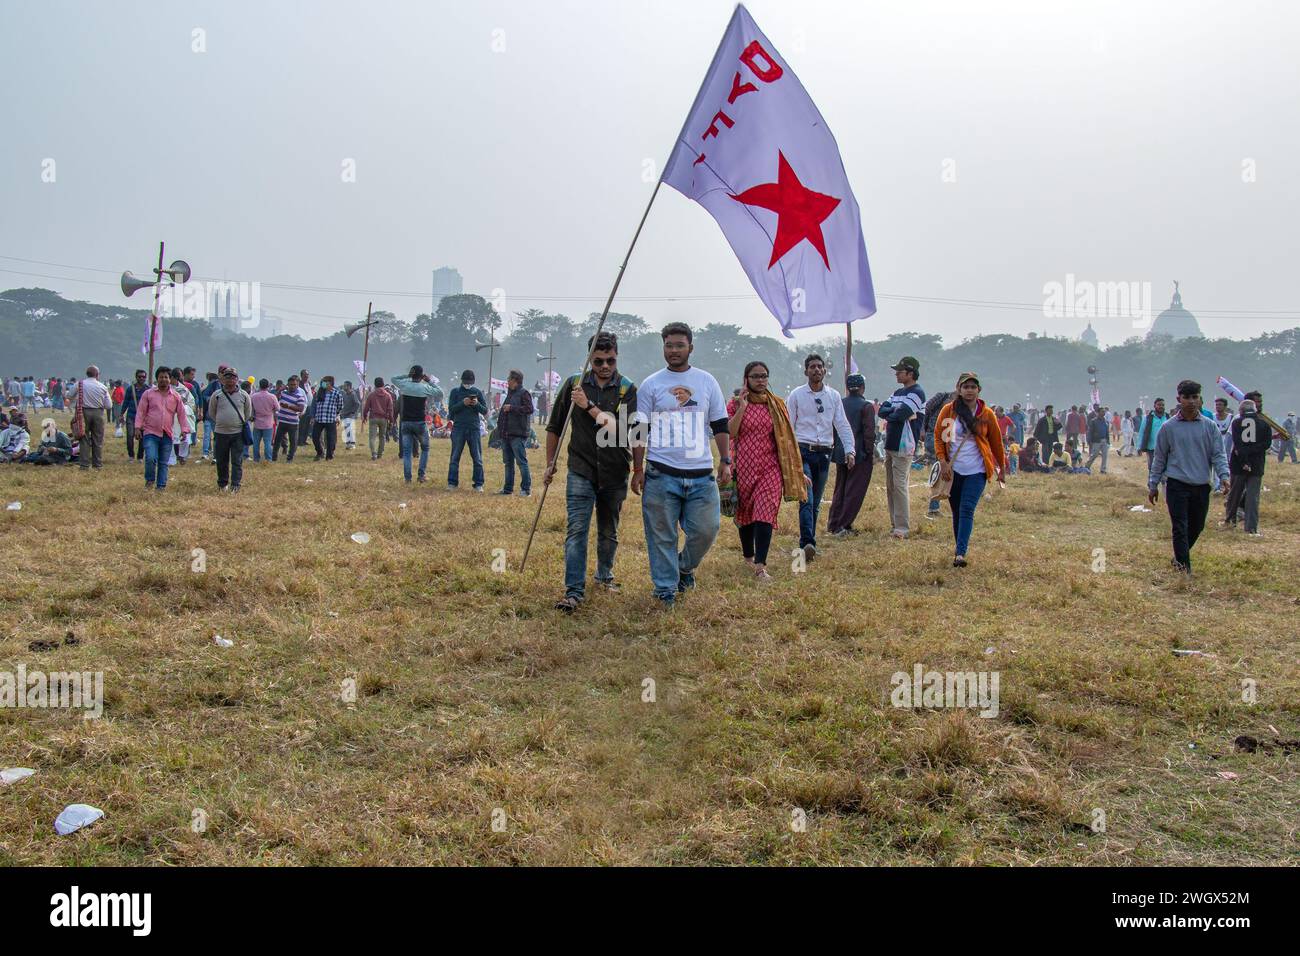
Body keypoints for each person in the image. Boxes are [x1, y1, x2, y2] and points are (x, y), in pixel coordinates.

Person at [631, 322, 729, 609]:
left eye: (679, 345)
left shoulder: (707, 381)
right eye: (669, 345)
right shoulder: (651, 384)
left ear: (690, 347)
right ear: (663, 347)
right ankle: (665, 592)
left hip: (701, 474)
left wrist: (725, 460)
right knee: (662, 535)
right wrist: (638, 469)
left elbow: (720, 423)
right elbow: (639, 429)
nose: (674, 350)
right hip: (661, 472)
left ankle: (683, 568)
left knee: (707, 530)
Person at [544, 332, 639, 610]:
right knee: (576, 530)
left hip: (614, 470)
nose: (605, 366)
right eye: (598, 361)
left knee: (608, 531)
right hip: (580, 468)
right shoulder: (574, 384)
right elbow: (554, 427)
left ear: (617, 356)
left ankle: (604, 576)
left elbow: (627, 434)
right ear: (589, 359)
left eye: (610, 360)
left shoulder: (627, 389)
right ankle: (573, 591)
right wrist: (550, 462)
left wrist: (589, 407)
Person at [727, 360, 807, 582]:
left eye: (764, 376)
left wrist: (796, 471)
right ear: (746, 379)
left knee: (764, 513)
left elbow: (786, 441)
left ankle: (761, 566)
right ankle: (748, 556)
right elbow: (730, 433)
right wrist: (742, 408)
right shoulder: (735, 404)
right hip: (742, 468)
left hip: (770, 469)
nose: (761, 380)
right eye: (755, 376)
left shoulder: (777, 405)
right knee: (745, 516)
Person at [1148, 380, 1230, 574]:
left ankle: (1178, 557)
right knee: (1180, 527)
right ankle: (1185, 570)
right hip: (1176, 484)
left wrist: (1224, 476)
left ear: (1200, 399)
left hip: (1201, 485)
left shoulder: (1210, 427)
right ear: (1179, 399)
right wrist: (1153, 484)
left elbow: (1218, 454)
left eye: (1195, 397)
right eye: (1187, 397)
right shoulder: (1168, 428)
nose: (1191, 401)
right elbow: (1159, 458)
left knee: (1197, 526)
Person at [933, 372, 1007, 567]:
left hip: (977, 470)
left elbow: (996, 443)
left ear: (979, 390)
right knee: (956, 511)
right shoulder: (948, 411)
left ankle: (960, 553)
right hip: (952, 471)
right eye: (966, 387)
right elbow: (939, 437)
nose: (969, 390)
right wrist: (942, 461)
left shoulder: (987, 414)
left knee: (967, 509)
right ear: (959, 389)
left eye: (973, 387)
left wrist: (1002, 467)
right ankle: (960, 547)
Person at [786, 354, 855, 559]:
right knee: (806, 498)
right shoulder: (797, 395)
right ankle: (807, 542)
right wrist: (790, 455)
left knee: (815, 504)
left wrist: (850, 450)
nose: (816, 370)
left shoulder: (833, 396)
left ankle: (810, 544)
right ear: (806, 371)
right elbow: (789, 425)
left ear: (824, 371)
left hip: (824, 452)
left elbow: (841, 423)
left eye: (819, 366)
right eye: (812, 367)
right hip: (802, 451)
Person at [877, 356, 926, 539]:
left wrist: (893, 413)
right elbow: (883, 411)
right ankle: (894, 523)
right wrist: (894, 413)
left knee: (900, 486)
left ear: (910, 373)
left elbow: (900, 414)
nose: (896, 374)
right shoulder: (898, 392)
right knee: (891, 486)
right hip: (891, 444)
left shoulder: (917, 393)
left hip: (904, 446)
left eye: (900, 371)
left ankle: (902, 527)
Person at [827, 373, 875, 538]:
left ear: (847, 388)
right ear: (862, 387)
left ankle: (833, 523)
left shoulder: (839, 403)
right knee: (854, 491)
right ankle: (844, 525)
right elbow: (869, 433)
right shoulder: (866, 406)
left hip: (841, 452)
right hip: (860, 453)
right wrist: (870, 453)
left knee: (840, 488)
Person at [135, 367, 191, 491]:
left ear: (170, 379)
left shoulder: (175, 396)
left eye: (166, 377)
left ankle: (161, 486)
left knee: (163, 462)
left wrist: (184, 429)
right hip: (150, 432)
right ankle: (149, 480)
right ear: (157, 378)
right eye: (161, 377)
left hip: (167, 434)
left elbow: (181, 414)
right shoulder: (148, 394)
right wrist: (138, 427)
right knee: (150, 458)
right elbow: (141, 411)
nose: (163, 379)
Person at [1223, 399, 1271, 536]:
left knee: (1234, 493)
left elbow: (1237, 444)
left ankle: (1230, 520)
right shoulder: (1264, 424)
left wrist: (1244, 459)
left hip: (1238, 463)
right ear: (1255, 410)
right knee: (1252, 496)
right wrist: (1253, 452)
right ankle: (1251, 528)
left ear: (1241, 411)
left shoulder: (1236, 423)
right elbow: (1267, 444)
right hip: (1257, 464)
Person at [207, 366, 253, 493]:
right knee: (221, 460)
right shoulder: (216, 395)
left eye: (233, 377)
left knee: (237, 461)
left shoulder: (244, 395)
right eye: (227, 377)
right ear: (222, 379)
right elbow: (212, 412)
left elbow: (247, 413)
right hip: (221, 432)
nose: (230, 380)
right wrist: (222, 421)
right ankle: (222, 484)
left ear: (237, 379)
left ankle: (235, 485)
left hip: (237, 433)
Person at [392, 366, 441, 484]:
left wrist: (407, 376)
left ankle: (408, 478)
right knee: (425, 448)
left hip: (406, 422)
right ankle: (421, 475)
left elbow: (393, 379)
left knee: (407, 451)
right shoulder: (424, 387)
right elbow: (440, 392)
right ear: (421, 376)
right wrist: (429, 380)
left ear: (412, 375)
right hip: (419, 422)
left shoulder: (404, 386)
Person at [446, 369, 488, 490]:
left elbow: (484, 410)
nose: (468, 384)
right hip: (459, 427)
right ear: (462, 381)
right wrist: (462, 403)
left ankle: (478, 483)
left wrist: (476, 404)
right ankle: (452, 482)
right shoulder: (455, 392)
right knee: (454, 457)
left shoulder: (477, 392)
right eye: (466, 382)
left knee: (477, 458)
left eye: (470, 382)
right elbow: (451, 410)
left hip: (474, 428)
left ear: (473, 382)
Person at [497, 370, 535, 497]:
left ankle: (526, 489)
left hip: (518, 434)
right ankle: (508, 489)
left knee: (521, 462)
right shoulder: (510, 394)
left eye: (509, 379)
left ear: (515, 380)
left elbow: (530, 409)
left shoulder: (524, 393)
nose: (507, 381)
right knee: (508, 463)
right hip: (506, 434)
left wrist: (512, 408)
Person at [74, 366, 112, 470]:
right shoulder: (103, 387)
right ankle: (97, 464)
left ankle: (84, 464)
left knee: (84, 438)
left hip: (83, 412)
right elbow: (109, 405)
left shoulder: (80, 384)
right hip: (98, 413)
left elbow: (69, 394)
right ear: (97, 374)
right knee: (97, 439)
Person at [273, 374, 307, 462]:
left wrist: (288, 406)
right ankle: (274, 458)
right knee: (277, 441)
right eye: (290, 384)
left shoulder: (299, 396)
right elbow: (274, 398)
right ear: (287, 385)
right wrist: (280, 389)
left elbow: (301, 408)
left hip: (293, 422)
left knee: (293, 442)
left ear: (297, 385)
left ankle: (290, 458)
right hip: (282, 421)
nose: (292, 386)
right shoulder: (284, 393)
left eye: (294, 385)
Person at [362, 376, 396, 460]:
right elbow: (390, 409)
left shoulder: (371, 395)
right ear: (383, 384)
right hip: (384, 419)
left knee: (372, 437)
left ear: (375, 384)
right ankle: (380, 454)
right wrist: (391, 420)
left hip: (373, 418)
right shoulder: (388, 395)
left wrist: (364, 416)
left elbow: (366, 407)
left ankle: (374, 453)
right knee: (382, 436)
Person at [119, 369, 149, 462]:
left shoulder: (148, 390)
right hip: (131, 416)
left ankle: (140, 456)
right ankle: (131, 455)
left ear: (145, 378)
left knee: (142, 438)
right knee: (130, 435)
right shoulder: (130, 389)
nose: (141, 378)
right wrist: (121, 414)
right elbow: (126, 402)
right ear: (136, 377)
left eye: (143, 377)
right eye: (139, 376)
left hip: (143, 418)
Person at [309, 377, 342, 461]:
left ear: (330, 384)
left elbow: (340, 406)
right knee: (315, 437)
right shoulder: (319, 393)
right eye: (322, 383)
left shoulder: (336, 393)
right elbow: (314, 405)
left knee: (331, 439)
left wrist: (336, 415)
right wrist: (313, 417)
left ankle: (329, 455)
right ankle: (320, 452)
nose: (323, 384)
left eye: (324, 383)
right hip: (319, 419)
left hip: (330, 419)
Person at [1136, 397, 1168, 478]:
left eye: (1163, 405)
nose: (1161, 406)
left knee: (1165, 468)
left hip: (1165, 448)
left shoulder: (1167, 417)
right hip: (1151, 448)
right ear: (1154, 406)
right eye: (1159, 405)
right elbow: (1141, 432)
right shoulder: (1147, 418)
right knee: (1152, 468)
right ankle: (1152, 485)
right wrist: (1139, 447)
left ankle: (1164, 485)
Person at [249, 379, 279, 462]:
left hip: (257, 422)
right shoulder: (272, 397)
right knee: (267, 442)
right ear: (268, 386)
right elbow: (278, 408)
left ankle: (256, 458)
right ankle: (268, 458)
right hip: (268, 422)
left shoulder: (254, 396)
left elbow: (251, 408)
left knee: (256, 443)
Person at [1085, 404, 1110, 473]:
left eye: (1104, 412)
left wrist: (1108, 441)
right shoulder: (1094, 421)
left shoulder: (1105, 421)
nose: (1104, 413)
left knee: (1105, 455)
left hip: (1104, 440)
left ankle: (1103, 469)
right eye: (1102, 411)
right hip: (1096, 441)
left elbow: (1107, 431)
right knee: (1094, 455)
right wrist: (1089, 440)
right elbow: (1090, 431)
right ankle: (1087, 466)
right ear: (1098, 412)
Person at [339, 381, 361, 450]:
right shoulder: (344, 394)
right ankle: (348, 443)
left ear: (349, 386)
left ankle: (352, 443)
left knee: (350, 429)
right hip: (344, 415)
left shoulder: (353, 394)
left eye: (345, 385)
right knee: (346, 429)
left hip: (350, 415)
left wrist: (353, 411)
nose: (344, 387)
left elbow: (357, 404)